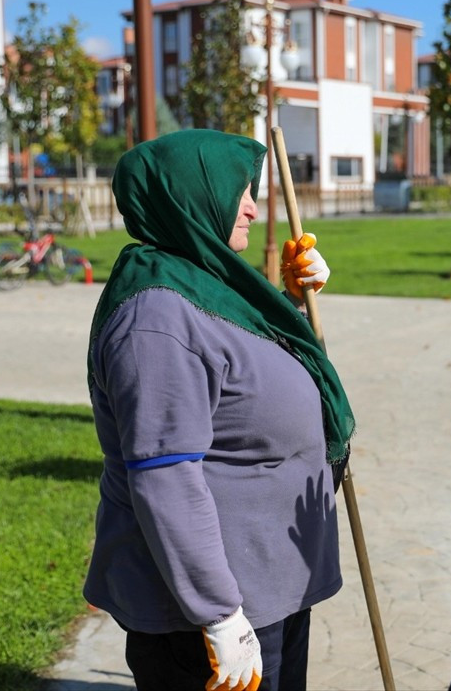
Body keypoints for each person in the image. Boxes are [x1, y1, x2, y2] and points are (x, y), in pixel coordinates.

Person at [84, 129, 354, 691]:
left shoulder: (205, 280)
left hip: (270, 583)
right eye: (239, 191)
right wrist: (219, 614)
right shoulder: (155, 318)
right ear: (192, 196)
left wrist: (291, 303)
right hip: (213, 610)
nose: (252, 207)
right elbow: (164, 474)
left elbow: (244, 365)